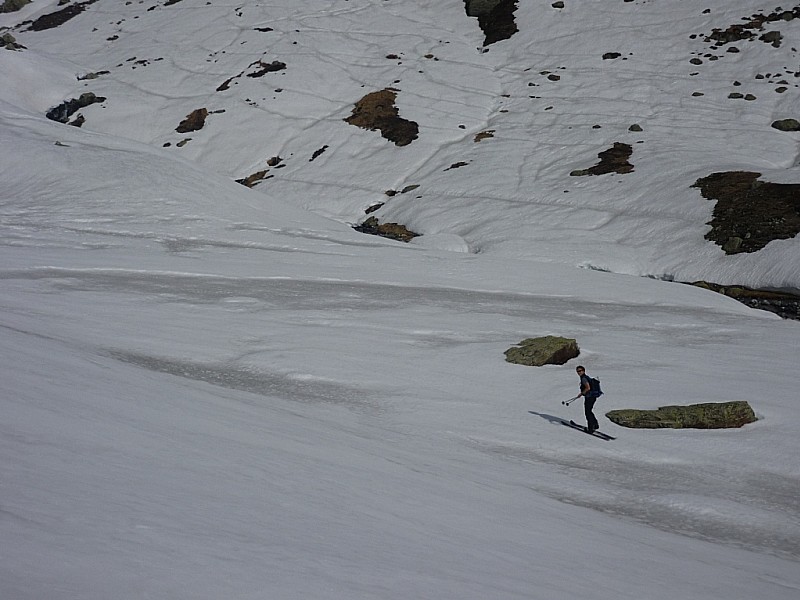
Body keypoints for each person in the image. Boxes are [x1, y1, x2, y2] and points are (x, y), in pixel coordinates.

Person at [576, 365, 601, 434]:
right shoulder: (586, 377)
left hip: (589, 397)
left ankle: (590, 428)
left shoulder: (584, 378)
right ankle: (595, 424)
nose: (579, 372)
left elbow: (588, 388)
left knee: (587, 412)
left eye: (580, 371)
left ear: (583, 371)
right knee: (589, 411)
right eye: (577, 371)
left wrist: (581, 393)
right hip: (593, 396)